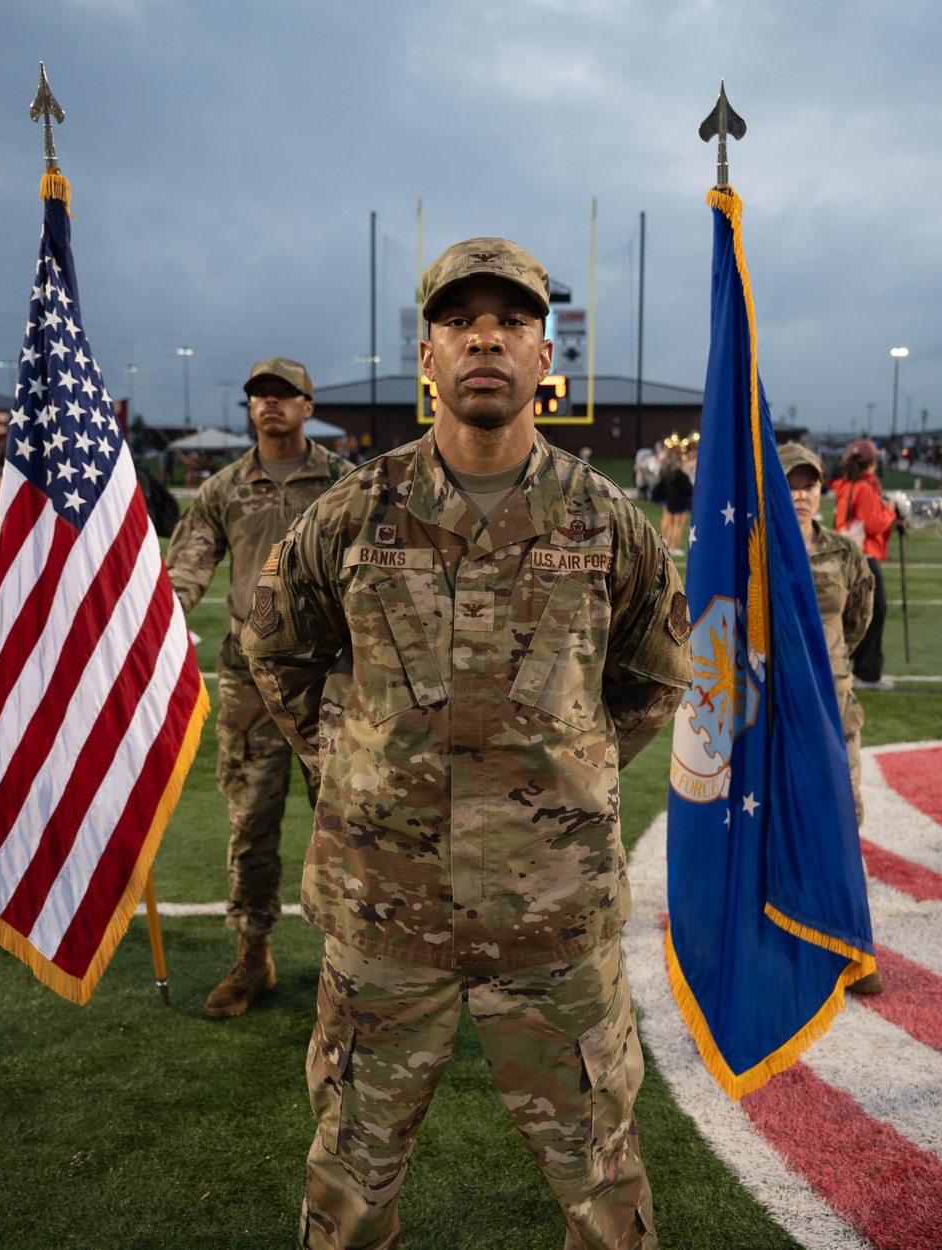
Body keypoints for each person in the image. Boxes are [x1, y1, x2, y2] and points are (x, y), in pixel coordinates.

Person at [241, 239, 692, 1249]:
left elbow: (657, 674)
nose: (485, 334)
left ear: (543, 356)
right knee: (348, 1189)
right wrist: (349, 761)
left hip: (554, 924)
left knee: (604, 1191)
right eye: (459, 319)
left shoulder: (607, 520)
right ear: (429, 355)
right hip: (383, 921)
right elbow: (274, 650)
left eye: (512, 319)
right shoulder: (349, 513)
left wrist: (569, 770)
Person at [166, 357, 351, 1018]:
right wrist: (161, 619)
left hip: (329, 678)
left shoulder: (342, 484)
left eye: (283, 395)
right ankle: (253, 956)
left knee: (348, 821)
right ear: (249, 409)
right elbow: (188, 563)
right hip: (249, 680)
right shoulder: (223, 488)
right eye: (259, 397)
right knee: (251, 818)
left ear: (307, 405)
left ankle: (350, 965)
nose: (270, 405)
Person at [779, 443, 883, 994]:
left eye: (809, 484)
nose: (799, 493)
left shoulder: (844, 554)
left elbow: (857, 618)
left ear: (823, 491)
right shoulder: (757, 550)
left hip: (836, 714)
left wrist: (829, 668)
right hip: (775, 720)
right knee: (780, 831)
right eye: (790, 483)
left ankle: (854, 949)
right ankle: (788, 943)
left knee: (844, 829)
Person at [828, 437, 906, 690]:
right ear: (872, 462)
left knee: (852, 614)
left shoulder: (846, 485)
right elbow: (873, 523)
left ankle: (845, 667)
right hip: (863, 556)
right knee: (874, 613)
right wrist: (891, 510)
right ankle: (867, 672)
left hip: (847, 556)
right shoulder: (863, 487)